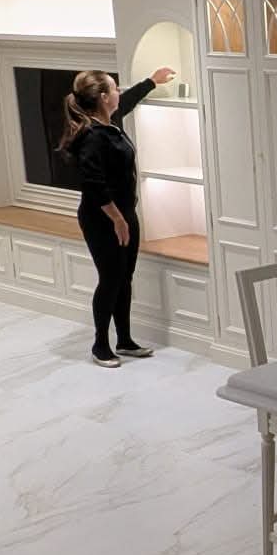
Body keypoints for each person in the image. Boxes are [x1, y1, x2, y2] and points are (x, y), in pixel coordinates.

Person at [59, 66, 176, 366]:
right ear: (101, 97)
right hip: (103, 219)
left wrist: (152, 81)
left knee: (125, 278)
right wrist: (117, 219)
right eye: (113, 89)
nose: (118, 93)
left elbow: (129, 100)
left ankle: (124, 339)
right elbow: (93, 184)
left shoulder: (109, 122)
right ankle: (101, 345)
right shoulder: (92, 136)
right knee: (110, 279)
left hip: (124, 214)